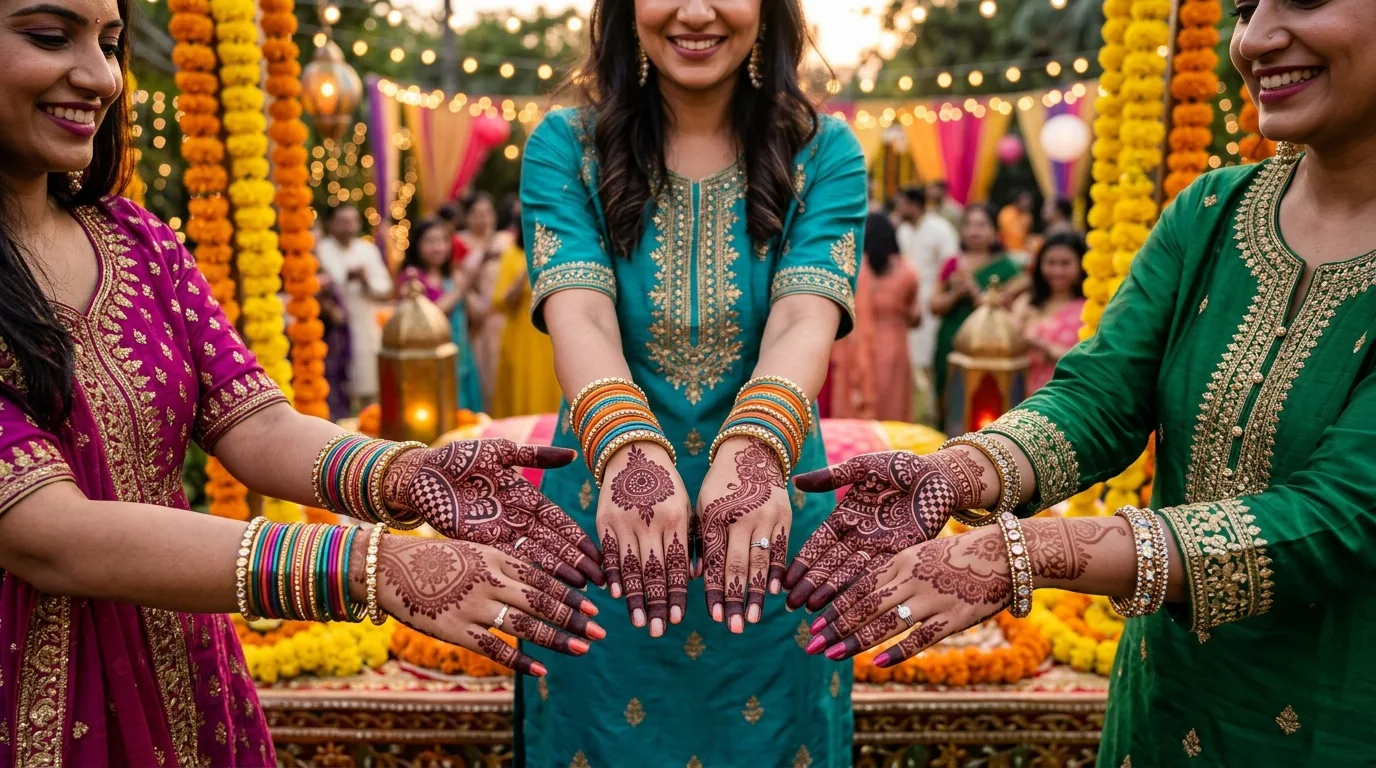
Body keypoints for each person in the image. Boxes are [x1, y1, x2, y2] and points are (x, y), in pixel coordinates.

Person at [0, 3, 605, 764]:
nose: (99, 76)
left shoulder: (137, 241)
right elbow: (42, 534)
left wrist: (406, 474)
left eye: (112, 43)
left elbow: (255, 425)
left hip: (184, 672)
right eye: (49, 37)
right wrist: (366, 566)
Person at [788, 0, 1376, 764]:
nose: (1255, 39)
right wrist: (951, 473)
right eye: (1241, 8)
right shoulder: (1210, 214)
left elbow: (1339, 514)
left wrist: (1022, 553)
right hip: (1167, 706)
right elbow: (1098, 399)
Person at [519, 0, 867, 762]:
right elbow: (580, 314)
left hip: (774, 534)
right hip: (602, 524)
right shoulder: (566, 147)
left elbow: (804, 320)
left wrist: (753, 453)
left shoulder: (824, 152)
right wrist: (628, 453)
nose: (697, 12)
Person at [929, 204, 1026, 405]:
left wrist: (973, 291)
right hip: (952, 341)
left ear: (994, 232)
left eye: (981, 225)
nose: (974, 231)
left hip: (991, 345)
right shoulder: (952, 264)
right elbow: (934, 306)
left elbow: (1010, 311)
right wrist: (956, 294)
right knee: (949, 400)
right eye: (969, 225)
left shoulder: (1008, 266)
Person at [830, 213, 919, 422]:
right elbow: (915, 316)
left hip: (856, 343)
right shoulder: (907, 271)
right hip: (894, 344)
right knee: (893, 401)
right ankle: (891, 448)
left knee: (857, 397)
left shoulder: (855, 271)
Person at [397, 218, 485, 411]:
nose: (438, 248)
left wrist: (466, 287)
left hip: (461, 354)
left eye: (443, 241)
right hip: (430, 360)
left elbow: (478, 317)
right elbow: (426, 317)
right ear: (417, 245)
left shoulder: (453, 277)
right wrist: (458, 291)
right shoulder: (412, 278)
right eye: (430, 241)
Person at [315, 205, 392, 412]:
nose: (349, 226)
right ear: (330, 224)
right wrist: (344, 278)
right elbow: (316, 288)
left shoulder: (367, 250)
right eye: (343, 221)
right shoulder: (320, 250)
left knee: (369, 381)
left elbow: (385, 288)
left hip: (366, 323)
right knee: (338, 382)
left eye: (353, 221)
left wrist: (366, 281)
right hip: (333, 327)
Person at [894, 185, 960, 423]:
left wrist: (938, 296)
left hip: (932, 307)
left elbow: (950, 264)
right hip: (907, 306)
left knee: (928, 360)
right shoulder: (902, 230)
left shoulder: (940, 230)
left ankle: (930, 417)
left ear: (914, 205)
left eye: (901, 203)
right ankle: (911, 415)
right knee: (909, 360)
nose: (898, 208)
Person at [490, 213, 563, 418]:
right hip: (522, 336)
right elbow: (502, 301)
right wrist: (526, 271)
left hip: (552, 337)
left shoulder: (558, 253)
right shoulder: (512, 254)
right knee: (522, 389)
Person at [1012, 232, 1087, 392]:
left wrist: (1045, 347)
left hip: (1067, 397)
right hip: (1021, 396)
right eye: (1050, 263)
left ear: (1081, 265)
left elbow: (1087, 362)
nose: (1057, 271)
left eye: (1065, 263)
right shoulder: (1026, 303)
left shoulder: (1091, 308)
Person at [456, 192, 510, 411]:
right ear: (467, 217)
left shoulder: (504, 240)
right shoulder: (460, 242)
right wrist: (482, 258)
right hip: (479, 319)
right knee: (484, 372)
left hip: (506, 315)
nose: (483, 219)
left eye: (487, 213)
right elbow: (459, 280)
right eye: (477, 214)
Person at [997, 188, 1035, 253]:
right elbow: (1010, 232)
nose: (1028, 203)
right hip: (1006, 249)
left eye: (1029, 200)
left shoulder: (1027, 216)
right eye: (1025, 200)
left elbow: (1027, 235)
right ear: (1017, 200)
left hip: (1022, 250)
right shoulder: (1007, 212)